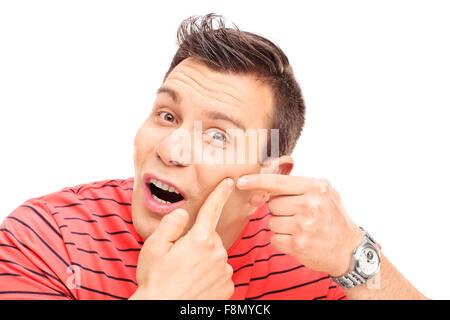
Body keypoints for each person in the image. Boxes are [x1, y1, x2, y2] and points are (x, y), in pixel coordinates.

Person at [0, 13, 426, 300]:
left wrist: (354, 257)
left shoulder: (309, 252)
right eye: (167, 115)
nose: (169, 150)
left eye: (218, 136)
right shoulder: (45, 238)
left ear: (269, 175)